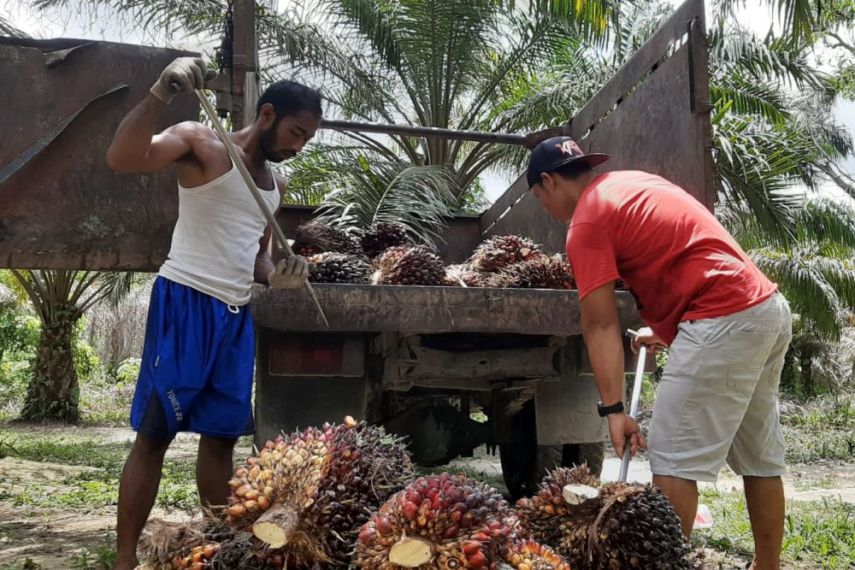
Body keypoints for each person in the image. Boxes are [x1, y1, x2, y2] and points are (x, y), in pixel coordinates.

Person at [526, 136, 792, 570]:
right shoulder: (632, 184)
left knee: (671, 462)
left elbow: (600, 322)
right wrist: (668, 329)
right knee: (758, 459)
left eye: (539, 197)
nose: (545, 208)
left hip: (722, 316)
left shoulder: (586, 222)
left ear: (550, 181)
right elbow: (685, 255)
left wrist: (614, 410)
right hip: (764, 310)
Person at [105, 57, 319, 570]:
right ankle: (124, 558)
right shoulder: (201, 142)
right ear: (266, 114)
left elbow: (257, 257)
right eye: (295, 132)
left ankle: (219, 551)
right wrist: (160, 92)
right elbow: (122, 157)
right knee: (154, 437)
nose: (298, 146)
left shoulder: (275, 185)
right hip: (185, 302)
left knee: (221, 439)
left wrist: (278, 275)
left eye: (307, 139)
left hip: (235, 314)